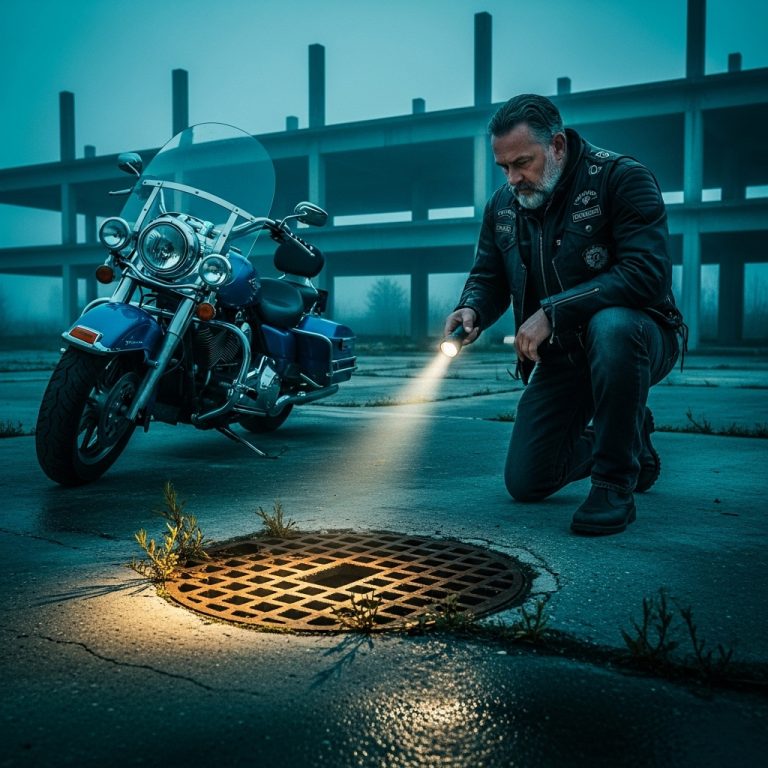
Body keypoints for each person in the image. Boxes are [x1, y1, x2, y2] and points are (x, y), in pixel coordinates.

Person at [443, 93, 686, 536]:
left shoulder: (621, 178)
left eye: (523, 163)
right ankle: (628, 434)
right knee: (527, 481)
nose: (513, 178)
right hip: (563, 358)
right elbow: (489, 274)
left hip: (637, 340)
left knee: (612, 325)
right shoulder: (503, 206)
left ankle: (613, 485)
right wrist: (472, 306)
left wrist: (553, 311)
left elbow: (646, 274)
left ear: (556, 145)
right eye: (504, 168)